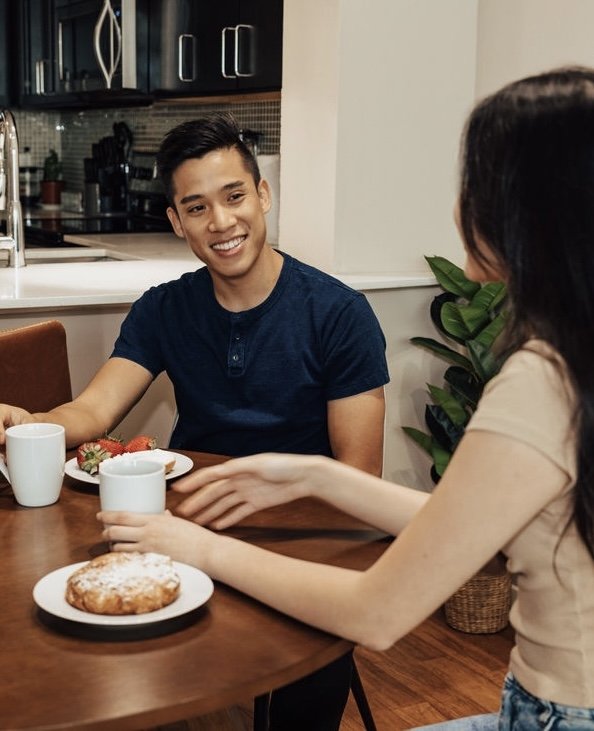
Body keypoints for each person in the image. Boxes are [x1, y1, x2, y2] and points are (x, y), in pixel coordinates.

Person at [99, 67, 594, 729]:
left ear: (522, 210)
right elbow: (461, 519)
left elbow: (376, 613)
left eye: (473, 183)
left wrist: (193, 545)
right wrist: (311, 473)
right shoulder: (572, 357)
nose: (459, 206)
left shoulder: (538, 380)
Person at [0, 113, 390, 730]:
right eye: (197, 207)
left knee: (310, 676)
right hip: (189, 521)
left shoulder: (339, 314)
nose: (222, 222)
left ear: (263, 195)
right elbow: (95, 411)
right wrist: (33, 420)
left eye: (234, 196)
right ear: (177, 222)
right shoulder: (163, 309)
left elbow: (361, 475)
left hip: (302, 534)